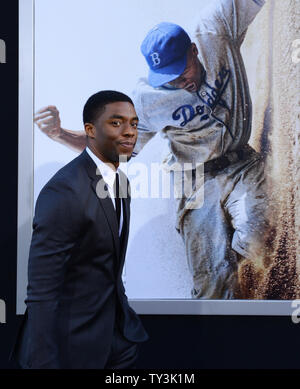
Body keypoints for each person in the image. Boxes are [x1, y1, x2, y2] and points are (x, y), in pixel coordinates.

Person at [34, 0, 268, 299]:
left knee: (257, 236)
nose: (179, 82)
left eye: (182, 71)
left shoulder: (216, 25)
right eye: (168, 77)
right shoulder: (147, 100)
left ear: (193, 50)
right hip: (195, 182)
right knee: (213, 285)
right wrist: (59, 133)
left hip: (242, 165)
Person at [11, 90, 148, 369]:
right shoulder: (64, 190)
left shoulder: (120, 181)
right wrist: (44, 363)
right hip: (70, 349)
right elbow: (42, 291)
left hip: (117, 340)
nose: (129, 132)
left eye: (133, 124)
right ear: (90, 130)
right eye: (116, 123)